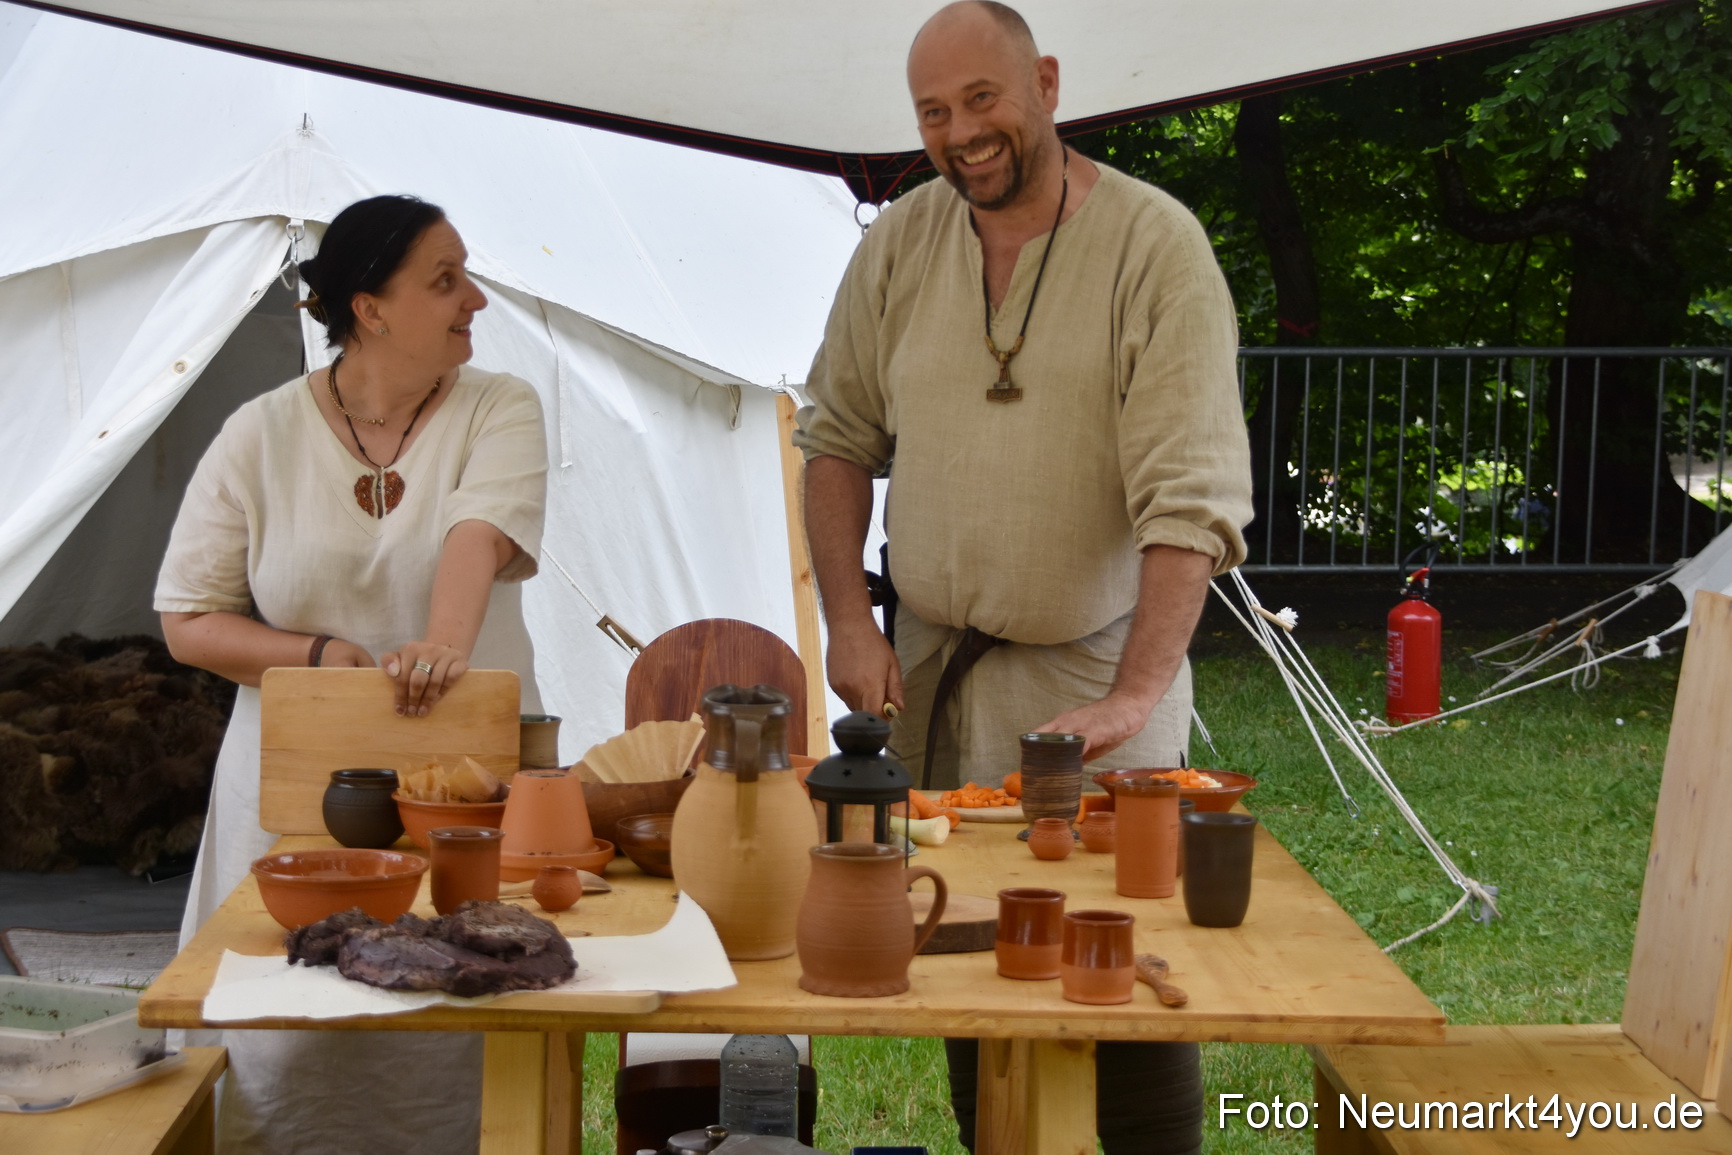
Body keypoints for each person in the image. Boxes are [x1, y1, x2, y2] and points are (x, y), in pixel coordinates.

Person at [792, 3, 1252, 1152]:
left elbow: (1190, 497)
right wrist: (849, 621)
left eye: (981, 99)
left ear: (1043, 83)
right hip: (941, 682)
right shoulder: (900, 241)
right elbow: (837, 436)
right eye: (933, 113)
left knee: (1115, 999)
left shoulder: (1155, 245)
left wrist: (1135, 698)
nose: (961, 133)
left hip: (1094, 694)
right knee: (973, 1002)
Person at [155, 194, 548, 1154]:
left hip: (458, 796)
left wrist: (440, 646)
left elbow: (475, 535)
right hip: (289, 791)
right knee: (285, 1044)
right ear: (369, 307)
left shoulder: (500, 407)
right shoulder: (259, 433)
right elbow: (186, 620)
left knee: (450, 1022)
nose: (476, 300)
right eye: (445, 281)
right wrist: (320, 656)